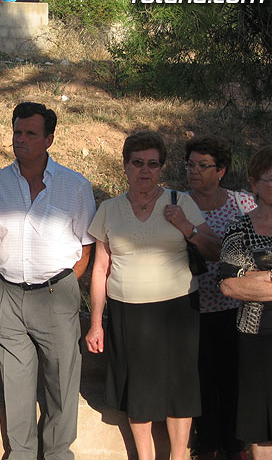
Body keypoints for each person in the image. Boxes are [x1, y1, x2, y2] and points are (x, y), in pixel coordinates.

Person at [85, 131, 221, 460]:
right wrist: (95, 323)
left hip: (178, 312)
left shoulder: (180, 202)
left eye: (153, 164)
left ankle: (177, 456)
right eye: (137, 163)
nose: (145, 170)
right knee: (139, 390)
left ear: (162, 167)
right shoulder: (109, 209)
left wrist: (186, 226)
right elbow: (100, 269)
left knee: (180, 389)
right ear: (125, 166)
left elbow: (214, 250)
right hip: (128, 313)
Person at [0, 102, 96, 460]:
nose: (21, 139)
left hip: (56, 293)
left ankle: (58, 453)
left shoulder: (75, 186)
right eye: (17, 132)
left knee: (62, 381)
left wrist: (63, 286)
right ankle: (21, 453)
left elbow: (86, 246)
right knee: (15, 383)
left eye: (31, 133)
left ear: (49, 139)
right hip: (8, 294)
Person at [183, 137, 255, 460]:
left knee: (233, 379)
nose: (194, 171)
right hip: (193, 306)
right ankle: (206, 445)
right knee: (201, 379)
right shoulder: (178, 203)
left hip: (237, 308)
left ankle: (234, 445)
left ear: (221, 170)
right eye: (190, 164)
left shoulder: (243, 204)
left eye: (203, 165)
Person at [218, 145, 272, 460]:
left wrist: (257, 277)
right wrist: (247, 281)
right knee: (259, 425)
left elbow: (243, 280)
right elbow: (229, 285)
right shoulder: (239, 229)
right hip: (255, 336)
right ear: (253, 183)